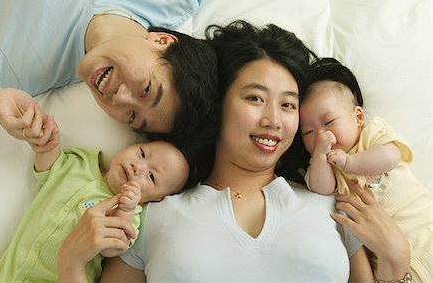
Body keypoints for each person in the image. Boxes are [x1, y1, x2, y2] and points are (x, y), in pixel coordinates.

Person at [57, 21, 411, 282]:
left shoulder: (334, 209)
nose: (273, 119)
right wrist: (71, 264)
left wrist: (396, 264)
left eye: (288, 105)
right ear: (218, 105)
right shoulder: (149, 219)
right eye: (255, 98)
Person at [0, 0, 218, 147]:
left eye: (132, 116)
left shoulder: (9, 73)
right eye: (146, 90)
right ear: (162, 42)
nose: (119, 99)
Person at [0, 104, 190, 283]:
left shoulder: (129, 213)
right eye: (142, 153)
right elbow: (47, 169)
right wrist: (47, 144)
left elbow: (111, 248)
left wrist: (126, 208)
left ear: (155, 199)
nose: (139, 167)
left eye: (152, 177)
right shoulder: (80, 163)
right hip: (1, 272)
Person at [299, 57, 433, 282]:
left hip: (424, 228)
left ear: (358, 116)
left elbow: (392, 156)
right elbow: (321, 189)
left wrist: (351, 163)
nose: (322, 135)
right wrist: (321, 155)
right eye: (308, 133)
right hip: (389, 262)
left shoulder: (372, 134)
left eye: (329, 122)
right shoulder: (323, 165)